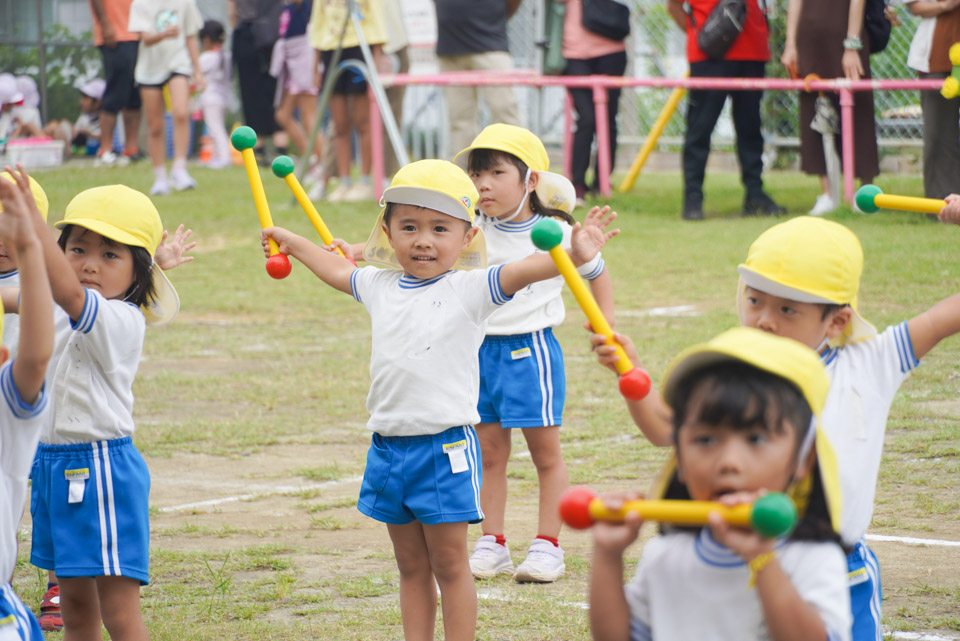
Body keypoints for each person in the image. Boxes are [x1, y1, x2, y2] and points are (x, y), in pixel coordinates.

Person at [261, 158, 617, 641]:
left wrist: (576, 253)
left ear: (468, 237)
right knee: (410, 568)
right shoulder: (378, 285)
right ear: (387, 232)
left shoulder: (473, 288)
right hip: (387, 449)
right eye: (408, 226)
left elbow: (527, 269)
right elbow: (335, 268)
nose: (423, 239)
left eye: (439, 228)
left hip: (445, 451)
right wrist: (293, 242)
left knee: (450, 567)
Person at [590, 214, 960, 640]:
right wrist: (631, 372)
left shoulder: (871, 361)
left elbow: (942, 318)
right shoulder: (733, 371)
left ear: (837, 321)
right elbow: (664, 433)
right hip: (722, 545)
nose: (765, 320)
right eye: (754, 301)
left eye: (787, 308)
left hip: (836, 563)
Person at [1, 173, 184, 641]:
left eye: (110, 255)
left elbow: (68, 293)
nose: (89, 265)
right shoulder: (57, 306)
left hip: (100, 470)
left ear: (139, 272)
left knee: (119, 614)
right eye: (77, 250)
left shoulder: (120, 319)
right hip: (50, 465)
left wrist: (31, 230)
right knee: (75, 607)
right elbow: (17, 297)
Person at [590, 326, 851, 641]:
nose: (729, 462)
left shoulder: (811, 559)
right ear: (680, 461)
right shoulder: (664, 556)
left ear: (803, 461)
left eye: (755, 438)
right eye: (706, 439)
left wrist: (763, 560)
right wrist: (608, 555)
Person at [454, 124, 613, 583]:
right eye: (476, 174)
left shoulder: (559, 232)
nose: (482, 184)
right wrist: (360, 251)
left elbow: (597, 275)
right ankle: (493, 542)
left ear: (530, 181)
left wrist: (607, 328)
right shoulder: (470, 231)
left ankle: (548, 546)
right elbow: (420, 250)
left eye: (496, 173)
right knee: (489, 454)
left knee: (545, 454)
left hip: (531, 352)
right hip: (477, 352)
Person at [667, 0, 786, 220]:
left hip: (753, 53)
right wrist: (703, 36)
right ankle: (692, 197)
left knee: (750, 129)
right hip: (708, 56)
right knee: (699, 128)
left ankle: (755, 195)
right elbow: (673, 6)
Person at [0, 165, 55, 641]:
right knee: (11, 506)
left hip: (35, 407)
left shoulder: (38, 278)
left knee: (46, 499)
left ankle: (58, 581)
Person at [781, 0, 878, 216]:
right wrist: (790, 45)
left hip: (845, 35)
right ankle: (827, 194)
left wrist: (851, 44)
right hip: (809, 39)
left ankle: (863, 193)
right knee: (812, 108)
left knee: (858, 109)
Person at [307, 0, 386, 203]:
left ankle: (365, 180)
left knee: (363, 122)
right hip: (331, 50)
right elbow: (318, 26)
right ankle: (344, 182)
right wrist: (315, 67)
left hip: (360, 47)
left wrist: (375, 66)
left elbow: (377, 26)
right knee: (340, 123)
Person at [128, 0, 205, 196]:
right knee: (155, 126)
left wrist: (198, 71)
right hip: (149, 70)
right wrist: (164, 34)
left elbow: (190, 37)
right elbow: (144, 38)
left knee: (181, 112)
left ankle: (180, 169)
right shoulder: (140, 4)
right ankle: (161, 177)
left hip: (178, 64)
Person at [558, 0, 628, 205]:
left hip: (612, 48)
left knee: (608, 118)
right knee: (587, 118)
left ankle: (602, 181)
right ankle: (577, 184)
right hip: (573, 53)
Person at [435, 0, 523, 157]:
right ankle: (464, 175)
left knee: (504, 113)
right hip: (451, 49)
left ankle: (519, 169)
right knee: (460, 120)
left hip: (490, 45)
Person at [904, 0, 960, 200]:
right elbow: (915, 5)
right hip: (939, 56)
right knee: (939, 134)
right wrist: (947, 5)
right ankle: (941, 203)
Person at [228, 0, 287, 165]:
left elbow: (233, 13)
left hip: (246, 35)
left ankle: (258, 150)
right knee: (275, 94)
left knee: (250, 95)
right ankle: (281, 148)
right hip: (273, 37)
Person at [89, 0, 144, 165]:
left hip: (140, 34)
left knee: (135, 94)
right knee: (115, 91)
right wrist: (105, 24)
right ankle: (105, 149)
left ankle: (131, 149)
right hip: (116, 34)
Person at [271, 1, 323, 170]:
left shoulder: (304, 5)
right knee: (283, 115)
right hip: (292, 62)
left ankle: (322, 163)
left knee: (309, 116)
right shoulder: (288, 6)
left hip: (304, 58)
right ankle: (311, 158)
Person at [198, 20, 234, 169]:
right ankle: (215, 157)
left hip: (210, 98)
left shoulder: (206, 58)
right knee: (217, 128)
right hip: (224, 98)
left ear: (206, 40)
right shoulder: (227, 56)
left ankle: (224, 158)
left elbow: (195, 73)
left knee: (215, 128)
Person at [43, 79, 107, 158]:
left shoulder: (108, 119)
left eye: (86, 98)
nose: (81, 102)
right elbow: (76, 131)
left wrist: (88, 134)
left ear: (98, 101)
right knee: (55, 126)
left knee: (62, 127)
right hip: (76, 144)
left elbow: (106, 138)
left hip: (93, 150)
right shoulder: (84, 117)